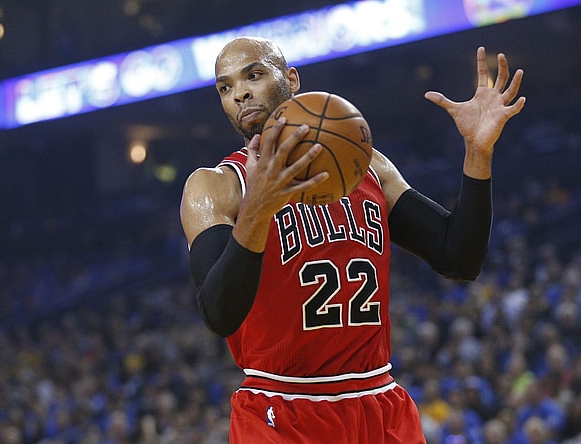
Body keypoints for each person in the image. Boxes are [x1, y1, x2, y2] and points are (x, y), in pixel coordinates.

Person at [179, 36, 525, 443]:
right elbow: (218, 313)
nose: (240, 93)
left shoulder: (366, 164)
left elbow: (459, 258)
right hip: (282, 406)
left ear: (291, 79)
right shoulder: (217, 187)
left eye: (253, 75)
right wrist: (258, 206)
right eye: (226, 87)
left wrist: (477, 153)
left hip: (377, 401)